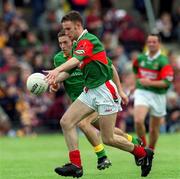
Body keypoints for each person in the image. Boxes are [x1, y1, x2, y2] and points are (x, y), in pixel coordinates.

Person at [44, 11, 154, 178]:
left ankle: (142, 153)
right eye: (64, 29)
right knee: (66, 122)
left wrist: (57, 69)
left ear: (78, 26)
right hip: (90, 91)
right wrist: (52, 80)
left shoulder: (89, 40)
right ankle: (76, 165)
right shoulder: (76, 44)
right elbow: (70, 70)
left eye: (68, 29)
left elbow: (74, 61)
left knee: (108, 138)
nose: (66, 32)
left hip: (105, 92)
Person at [132, 33, 174, 150]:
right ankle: (143, 146)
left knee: (153, 128)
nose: (151, 44)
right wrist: (136, 84)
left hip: (158, 95)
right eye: (149, 42)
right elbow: (135, 70)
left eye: (154, 42)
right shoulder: (140, 58)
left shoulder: (163, 61)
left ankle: (151, 150)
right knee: (138, 120)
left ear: (159, 44)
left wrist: (149, 82)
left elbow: (167, 82)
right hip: (142, 92)